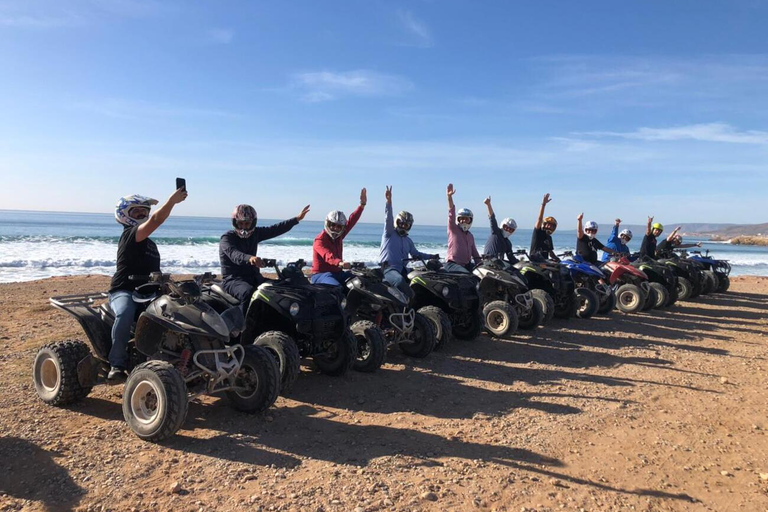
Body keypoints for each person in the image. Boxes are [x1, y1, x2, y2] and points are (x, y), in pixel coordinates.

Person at [107, 186, 188, 380]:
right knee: (125, 312)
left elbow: (155, 272)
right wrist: (172, 202)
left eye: (145, 211)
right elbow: (156, 220)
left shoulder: (150, 244)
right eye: (137, 211)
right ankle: (116, 364)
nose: (143, 214)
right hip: (124, 290)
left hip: (149, 292)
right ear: (125, 214)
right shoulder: (130, 234)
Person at [220, 203, 311, 313]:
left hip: (254, 277)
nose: (244, 227)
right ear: (235, 223)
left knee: (279, 288)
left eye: (247, 223)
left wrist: (297, 219)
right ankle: (242, 326)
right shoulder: (227, 238)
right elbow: (234, 254)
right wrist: (249, 258)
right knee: (248, 293)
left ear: (253, 223)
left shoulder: (255, 234)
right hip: (233, 279)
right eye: (241, 223)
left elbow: (275, 229)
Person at [378, 186, 437, 295]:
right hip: (388, 269)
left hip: (403, 269)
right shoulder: (389, 233)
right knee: (400, 281)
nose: (404, 227)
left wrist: (432, 256)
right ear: (397, 222)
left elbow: (416, 254)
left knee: (424, 278)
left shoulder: (408, 240)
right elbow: (388, 218)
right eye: (402, 224)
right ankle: (407, 305)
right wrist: (388, 202)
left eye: (406, 225)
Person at [311, 188, 367, 286]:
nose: (335, 228)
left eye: (338, 226)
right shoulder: (319, 240)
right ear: (327, 223)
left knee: (360, 283)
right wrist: (339, 263)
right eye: (332, 225)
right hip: (321, 274)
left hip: (338, 273)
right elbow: (327, 255)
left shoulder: (338, 237)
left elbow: (351, 221)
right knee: (336, 288)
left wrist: (362, 205)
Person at [445, 183, 481, 273]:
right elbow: (451, 213)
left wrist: (482, 265)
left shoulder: (470, 236)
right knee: (467, 276)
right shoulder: (453, 229)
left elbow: (475, 254)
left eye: (466, 219)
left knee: (482, 274)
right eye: (461, 219)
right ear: (458, 219)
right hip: (453, 264)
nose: (464, 221)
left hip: (466, 265)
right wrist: (449, 197)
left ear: (470, 220)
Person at [482, 196, 518, 264]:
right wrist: (488, 204)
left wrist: (522, 263)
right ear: (502, 225)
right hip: (488, 263)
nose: (508, 230)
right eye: (506, 227)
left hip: (499, 265)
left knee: (514, 270)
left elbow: (511, 257)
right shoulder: (496, 232)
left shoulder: (508, 243)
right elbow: (492, 218)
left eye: (511, 229)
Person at [530, 193, 559, 262]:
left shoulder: (549, 237)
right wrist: (543, 205)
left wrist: (558, 259)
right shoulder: (538, 232)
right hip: (535, 262)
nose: (549, 226)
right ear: (544, 224)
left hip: (545, 262)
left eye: (552, 225)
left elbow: (550, 252)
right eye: (548, 224)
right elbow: (539, 219)